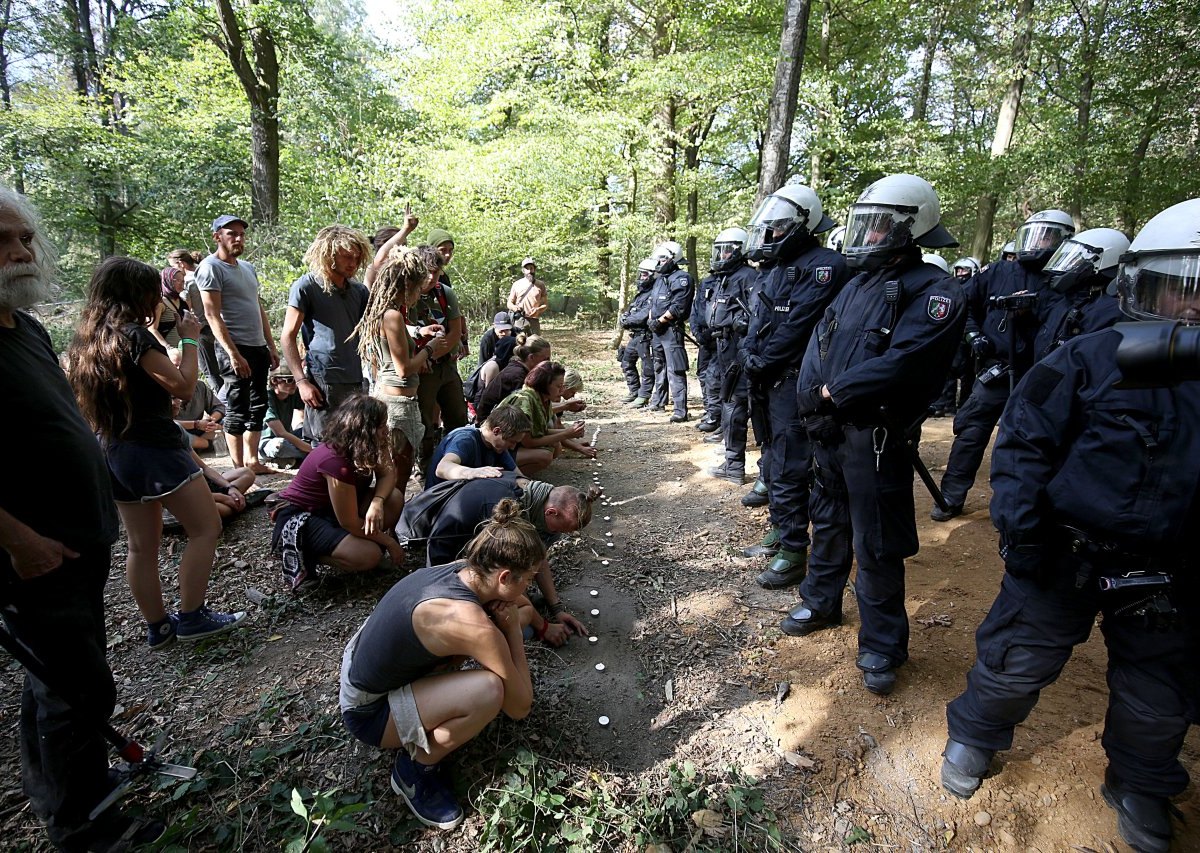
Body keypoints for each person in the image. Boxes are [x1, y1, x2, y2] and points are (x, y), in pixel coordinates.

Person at [941, 199, 1200, 853]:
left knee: (1159, 692)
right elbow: (1024, 447)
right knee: (1016, 659)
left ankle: (1140, 782)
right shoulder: (1086, 359)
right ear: (1146, 283)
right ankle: (976, 735)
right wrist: (1024, 534)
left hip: (1169, 568)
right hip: (1065, 550)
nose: (1193, 307)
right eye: (1182, 288)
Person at [0, 186, 165, 852]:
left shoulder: (25, 326)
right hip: (34, 550)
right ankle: (84, 826)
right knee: (73, 685)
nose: (17, 252)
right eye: (0, 243)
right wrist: (16, 538)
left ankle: (79, 797)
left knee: (70, 676)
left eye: (23, 239)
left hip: (78, 535)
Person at [781, 173, 965, 697]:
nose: (870, 236)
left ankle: (882, 643)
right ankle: (821, 601)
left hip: (877, 434)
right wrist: (810, 398)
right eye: (867, 225)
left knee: (877, 543)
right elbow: (819, 342)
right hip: (831, 431)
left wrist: (830, 395)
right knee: (829, 518)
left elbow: (903, 363)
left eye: (881, 227)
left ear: (912, 229)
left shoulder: (935, 291)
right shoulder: (854, 284)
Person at [67, 256, 248, 647]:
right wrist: (188, 337)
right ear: (139, 294)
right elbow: (183, 387)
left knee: (139, 545)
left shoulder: (88, 340)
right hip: (155, 451)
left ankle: (158, 628)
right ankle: (193, 617)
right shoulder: (135, 336)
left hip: (115, 451)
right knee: (206, 528)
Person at [340, 499, 539, 830]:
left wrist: (523, 618)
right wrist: (511, 632)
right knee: (489, 690)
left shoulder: (467, 568)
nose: (528, 587)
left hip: (359, 665)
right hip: (368, 712)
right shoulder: (471, 623)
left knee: (507, 635)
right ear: (504, 576)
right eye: (528, 579)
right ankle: (414, 770)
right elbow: (520, 706)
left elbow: (523, 604)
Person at [737, 184, 849, 588]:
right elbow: (758, 320)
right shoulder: (774, 268)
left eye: (779, 228)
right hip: (766, 379)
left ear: (804, 223)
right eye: (770, 228)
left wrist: (763, 360)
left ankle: (793, 550)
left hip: (793, 380)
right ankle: (781, 530)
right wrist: (750, 354)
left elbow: (798, 325)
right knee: (770, 457)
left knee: (789, 464)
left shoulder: (826, 265)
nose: (771, 235)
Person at [932, 209, 1075, 521]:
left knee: (1031, 440)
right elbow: (962, 302)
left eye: (1047, 236)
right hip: (996, 370)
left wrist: (1030, 312)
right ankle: (950, 497)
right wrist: (973, 335)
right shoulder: (998, 272)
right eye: (1034, 234)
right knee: (970, 431)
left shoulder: (1063, 281)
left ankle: (1023, 509)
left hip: (1038, 374)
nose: (1038, 243)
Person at [395, 475, 593, 644]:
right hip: (441, 567)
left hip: (472, 559)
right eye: (558, 529)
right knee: (522, 628)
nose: (556, 535)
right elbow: (500, 579)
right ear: (551, 512)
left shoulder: (533, 496)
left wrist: (555, 607)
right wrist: (543, 626)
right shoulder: (502, 516)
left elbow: (538, 557)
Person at [271, 394, 406, 590]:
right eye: (381, 426)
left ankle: (348, 543)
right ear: (365, 430)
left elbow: (387, 474)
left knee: (392, 498)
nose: (386, 430)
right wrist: (389, 543)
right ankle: (306, 553)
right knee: (370, 555)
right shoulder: (334, 461)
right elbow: (349, 522)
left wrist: (377, 501)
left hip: (335, 511)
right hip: (304, 517)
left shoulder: (370, 445)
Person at [353, 246, 454, 490]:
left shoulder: (386, 314)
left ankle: (389, 522)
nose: (420, 294)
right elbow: (403, 369)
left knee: (395, 471)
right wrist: (429, 349)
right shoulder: (392, 316)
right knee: (397, 475)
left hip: (395, 400)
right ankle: (388, 524)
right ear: (406, 285)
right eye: (419, 287)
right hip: (396, 406)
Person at [196, 214, 280, 474]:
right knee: (237, 406)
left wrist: (271, 345)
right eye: (231, 233)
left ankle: (253, 461)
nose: (238, 238)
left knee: (259, 405)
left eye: (241, 233)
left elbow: (258, 308)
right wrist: (232, 353)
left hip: (257, 346)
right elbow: (211, 314)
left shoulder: (247, 268)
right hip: (233, 346)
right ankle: (238, 467)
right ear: (217, 236)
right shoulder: (210, 267)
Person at [280, 225, 373, 441]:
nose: (353, 263)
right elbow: (287, 336)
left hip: (354, 377)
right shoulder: (307, 286)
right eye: (347, 257)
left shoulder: (358, 291)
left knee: (354, 440)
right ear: (330, 255)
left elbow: (377, 327)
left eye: (357, 257)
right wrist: (302, 382)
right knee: (325, 443)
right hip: (323, 379)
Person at [702, 228, 760, 484]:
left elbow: (757, 315)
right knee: (728, 401)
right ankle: (732, 459)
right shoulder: (724, 278)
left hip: (740, 348)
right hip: (723, 347)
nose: (722, 254)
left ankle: (735, 465)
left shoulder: (748, 277)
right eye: (720, 249)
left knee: (736, 403)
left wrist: (742, 329)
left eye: (728, 249)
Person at [411, 245, 468, 483]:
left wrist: (433, 355)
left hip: (444, 363)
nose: (432, 277)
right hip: (420, 368)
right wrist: (423, 357)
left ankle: (458, 461)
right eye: (428, 271)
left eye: (437, 272)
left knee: (457, 414)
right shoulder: (407, 293)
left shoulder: (444, 292)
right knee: (424, 420)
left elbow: (454, 331)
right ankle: (424, 467)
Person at [1031, 227, 1128, 359]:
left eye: (1077, 260)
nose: (1069, 265)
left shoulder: (1111, 312)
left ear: (1101, 263)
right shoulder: (1064, 302)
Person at [493, 361, 585, 476]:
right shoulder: (525, 401)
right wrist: (566, 434)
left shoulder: (542, 400)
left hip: (512, 446)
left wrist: (570, 432)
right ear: (545, 384)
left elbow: (540, 430)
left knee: (555, 446)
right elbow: (528, 441)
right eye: (558, 386)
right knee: (544, 456)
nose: (561, 391)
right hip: (499, 448)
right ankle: (509, 478)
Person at [647, 240, 694, 422]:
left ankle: (680, 410)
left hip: (671, 330)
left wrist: (660, 321)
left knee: (676, 369)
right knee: (659, 366)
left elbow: (678, 307)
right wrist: (652, 320)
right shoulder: (659, 279)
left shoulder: (682, 278)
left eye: (663, 259)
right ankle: (658, 402)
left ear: (674, 259)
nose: (659, 263)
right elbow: (653, 303)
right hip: (656, 331)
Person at [427, 407, 531, 487]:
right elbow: (442, 468)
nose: (513, 447)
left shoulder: (497, 446)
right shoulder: (464, 440)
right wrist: (473, 472)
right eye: (512, 442)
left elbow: (518, 476)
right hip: (439, 502)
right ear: (496, 431)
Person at [171, 247, 221, 394]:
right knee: (222, 368)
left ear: (181, 264)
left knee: (209, 371)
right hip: (218, 326)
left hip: (201, 330)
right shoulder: (208, 273)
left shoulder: (187, 281)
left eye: (173, 267)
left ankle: (220, 402)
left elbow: (188, 310)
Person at [474, 335, 551, 422]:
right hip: (490, 425)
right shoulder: (517, 376)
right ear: (531, 357)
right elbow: (528, 413)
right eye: (545, 359)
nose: (548, 363)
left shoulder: (518, 369)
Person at [690, 254, 722, 434]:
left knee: (714, 378)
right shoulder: (707, 281)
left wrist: (711, 332)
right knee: (703, 374)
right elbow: (696, 309)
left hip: (719, 338)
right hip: (704, 339)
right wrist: (697, 332)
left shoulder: (732, 280)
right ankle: (709, 410)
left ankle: (716, 416)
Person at [619, 257, 658, 407]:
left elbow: (643, 316)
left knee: (647, 368)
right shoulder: (641, 293)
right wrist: (625, 319)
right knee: (626, 362)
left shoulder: (654, 294)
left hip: (645, 336)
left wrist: (628, 320)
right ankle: (634, 391)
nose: (641, 278)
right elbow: (631, 312)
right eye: (640, 274)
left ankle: (643, 396)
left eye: (645, 275)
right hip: (635, 336)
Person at [171, 346, 226, 451]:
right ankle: (205, 444)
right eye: (175, 366)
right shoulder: (162, 388)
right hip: (178, 431)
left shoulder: (199, 386)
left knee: (229, 425)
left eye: (182, 365)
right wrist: (196, 424)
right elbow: (165, 422)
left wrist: (211, 422)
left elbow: (219, 407)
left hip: (201, 430)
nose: (179, 369)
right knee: (174, 431)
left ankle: (201, 444)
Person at [259, 366, 312, 465]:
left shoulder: (292, 394)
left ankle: (293, 460)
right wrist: (312, 450)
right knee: (280, 445)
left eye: (296, 381)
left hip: (289, 436)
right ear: (274, 381)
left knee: (309, 431)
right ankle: (311, 456)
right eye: (289, 380)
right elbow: (280, 433)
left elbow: (305, 415)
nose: (294, 385)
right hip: (268, 442)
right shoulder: (266, 398)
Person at [507, 257, 548, 334]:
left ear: (534, 269)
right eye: (527, 268)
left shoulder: (540, 285)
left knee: (535, 344)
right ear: (523, 270)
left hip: (534, 320)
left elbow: (545, 304)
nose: (529, 271)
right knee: (519, 344)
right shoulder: (517, 284)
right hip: (520, 320)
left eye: (531, 268)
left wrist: (538, 310)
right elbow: (509, 303)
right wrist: (514, 307)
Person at [151, 266, 187, 349]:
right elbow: (152, 329)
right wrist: (168, 348)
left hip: (184, 350)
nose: (181, 284)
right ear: (167, 280)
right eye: (177, 280)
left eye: (183, 281)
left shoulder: (183, 302)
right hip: (168, 354)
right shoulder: (160, 303)